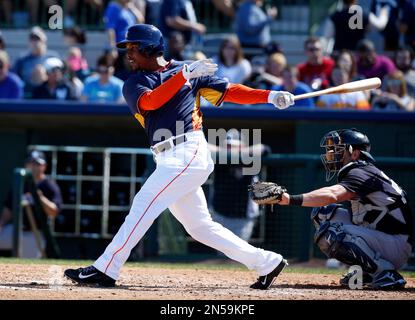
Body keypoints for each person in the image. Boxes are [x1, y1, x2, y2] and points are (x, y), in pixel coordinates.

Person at [64, 23, 295, 289]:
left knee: (143, 203)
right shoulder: (135, 82)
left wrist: (270, 95)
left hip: (188, 149)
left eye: (133, 48)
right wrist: (184, 75)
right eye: (127, 48)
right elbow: (152, 101)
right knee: (199, 227)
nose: (128, 54)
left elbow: (229, 91)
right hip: (168, 158)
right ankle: (268, 262)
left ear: (151, 49)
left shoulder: (188, 72)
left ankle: (105, 268)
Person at [254, 128, 413, 289]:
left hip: (395, 244)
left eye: (337, 150)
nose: (331, 154)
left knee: (332, 232)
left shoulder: (360, 172)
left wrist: (288, 199)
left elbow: (332, 194)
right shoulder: (362, 171)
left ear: (355, 153)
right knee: (324, 214)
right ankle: (368, 272)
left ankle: (386, 274)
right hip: (383, 236)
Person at [208, 129, 269, 242]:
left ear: (243, 146)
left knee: (237, 251)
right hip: (219, 214)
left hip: (243, 218)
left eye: (234, 146)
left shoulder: (250, 159)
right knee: (221, 253)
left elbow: (264, 149)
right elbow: (204, 147)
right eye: (228, 146)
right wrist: (224, 152)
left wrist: (241, 153)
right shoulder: (220, 157)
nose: (230, 149)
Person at [0, 150, 62, 258]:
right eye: (30, 163)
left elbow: (54, 212)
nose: (33, 166)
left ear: (44, 166)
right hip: (15, 229)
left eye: (37, 163)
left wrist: (40, 198)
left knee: (26, 267)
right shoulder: (20, 182)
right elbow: (8, 210)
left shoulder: (48, 185)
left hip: (34, 233)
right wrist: (1, 224)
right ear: (25, 164)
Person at [13, 27, 62, 95]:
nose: (35, 42)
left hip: (49, 96)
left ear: (44, 40)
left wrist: (45, 78)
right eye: (32, 39)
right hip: (28, 96)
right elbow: (16, 80)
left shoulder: (53, 57)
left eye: (38, 39)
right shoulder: (21, 60)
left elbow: (60, 77)